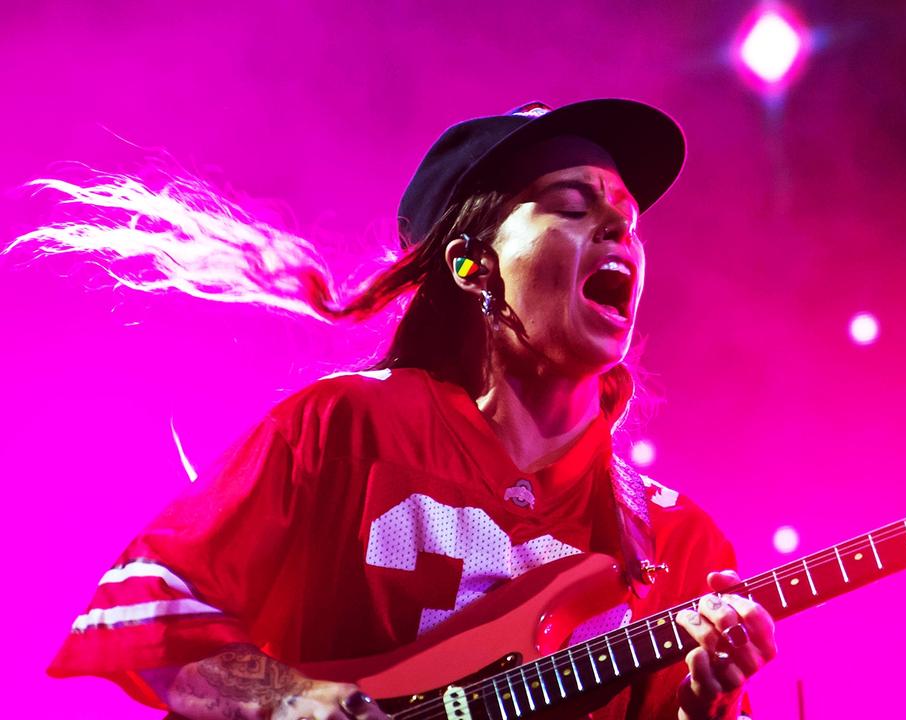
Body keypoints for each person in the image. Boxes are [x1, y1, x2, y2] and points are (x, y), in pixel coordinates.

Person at [48, 99, 778, 720]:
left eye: (627, 220)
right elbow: (149, 613)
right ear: (472, 266)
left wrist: (700, 702)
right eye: (573, 207)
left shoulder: (679, 544)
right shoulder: (344, 428)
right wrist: (293, 700)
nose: (621, 233)